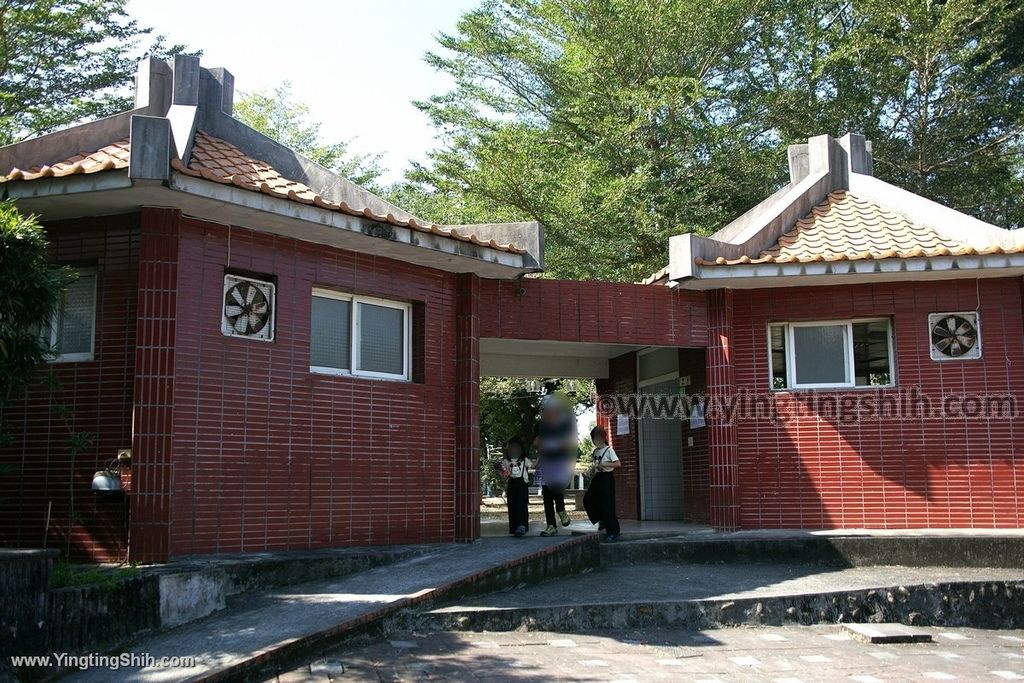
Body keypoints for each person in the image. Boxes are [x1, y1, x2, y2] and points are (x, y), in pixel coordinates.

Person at [533, 394, 577, 537]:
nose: (548, 412)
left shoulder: (564, 424)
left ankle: (561, 510)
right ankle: (551, 525)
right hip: (545, 461)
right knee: (546, 494)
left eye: (551, 410)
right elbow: (535, 442)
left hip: (559, 461)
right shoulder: (539, 426)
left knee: (557, 489)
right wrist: (540, 442)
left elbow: (571, 442)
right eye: (545, 410)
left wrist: (562, 442)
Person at [583, 425, 621, 542]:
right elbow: (596, 464)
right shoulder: (595, 451)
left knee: (607, 505)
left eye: (598, 438)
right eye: (594, 439)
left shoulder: (609, 450)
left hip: (607, 478)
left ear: (603, 438)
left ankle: (613, 532)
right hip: (598, 477)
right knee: (588, 499)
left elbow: (618, 464)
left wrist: (605, 465)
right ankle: (601, 519)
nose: (596, 441)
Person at [497, 436, 532, 537]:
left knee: (522, 505)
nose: (514, 450)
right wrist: (500, 469)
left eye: (517, 448)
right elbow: (504, 474)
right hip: (511, 484)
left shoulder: (524, 460)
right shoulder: (506, 461)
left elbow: (533, 465)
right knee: (512, 505)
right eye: (512, 448)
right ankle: (513, 527)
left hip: (522, 484)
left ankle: (522, 526)